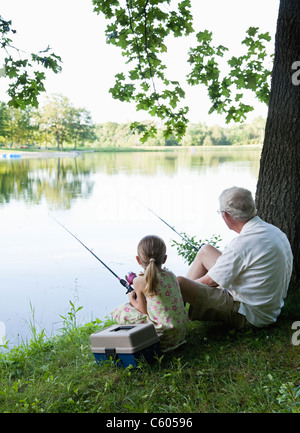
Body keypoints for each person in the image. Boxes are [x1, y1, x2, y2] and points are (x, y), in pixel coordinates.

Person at [177, 186, 293, 331]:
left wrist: (184, 288)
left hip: (250, 314)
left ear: (226, 216)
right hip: (267, 308)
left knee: (179, 283)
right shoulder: (274, 231)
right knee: (205, 251)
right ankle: (176, 312)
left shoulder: (242, 243)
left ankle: (169, 321)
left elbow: (209, 282)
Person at [111, 235, 188, 352]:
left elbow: (143, 311)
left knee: (121, 310)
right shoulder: (171, 275)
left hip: (162, 340)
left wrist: (132, 299)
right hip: (180, 335)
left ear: (138, 259)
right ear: (164, 259)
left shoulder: (139, 281)